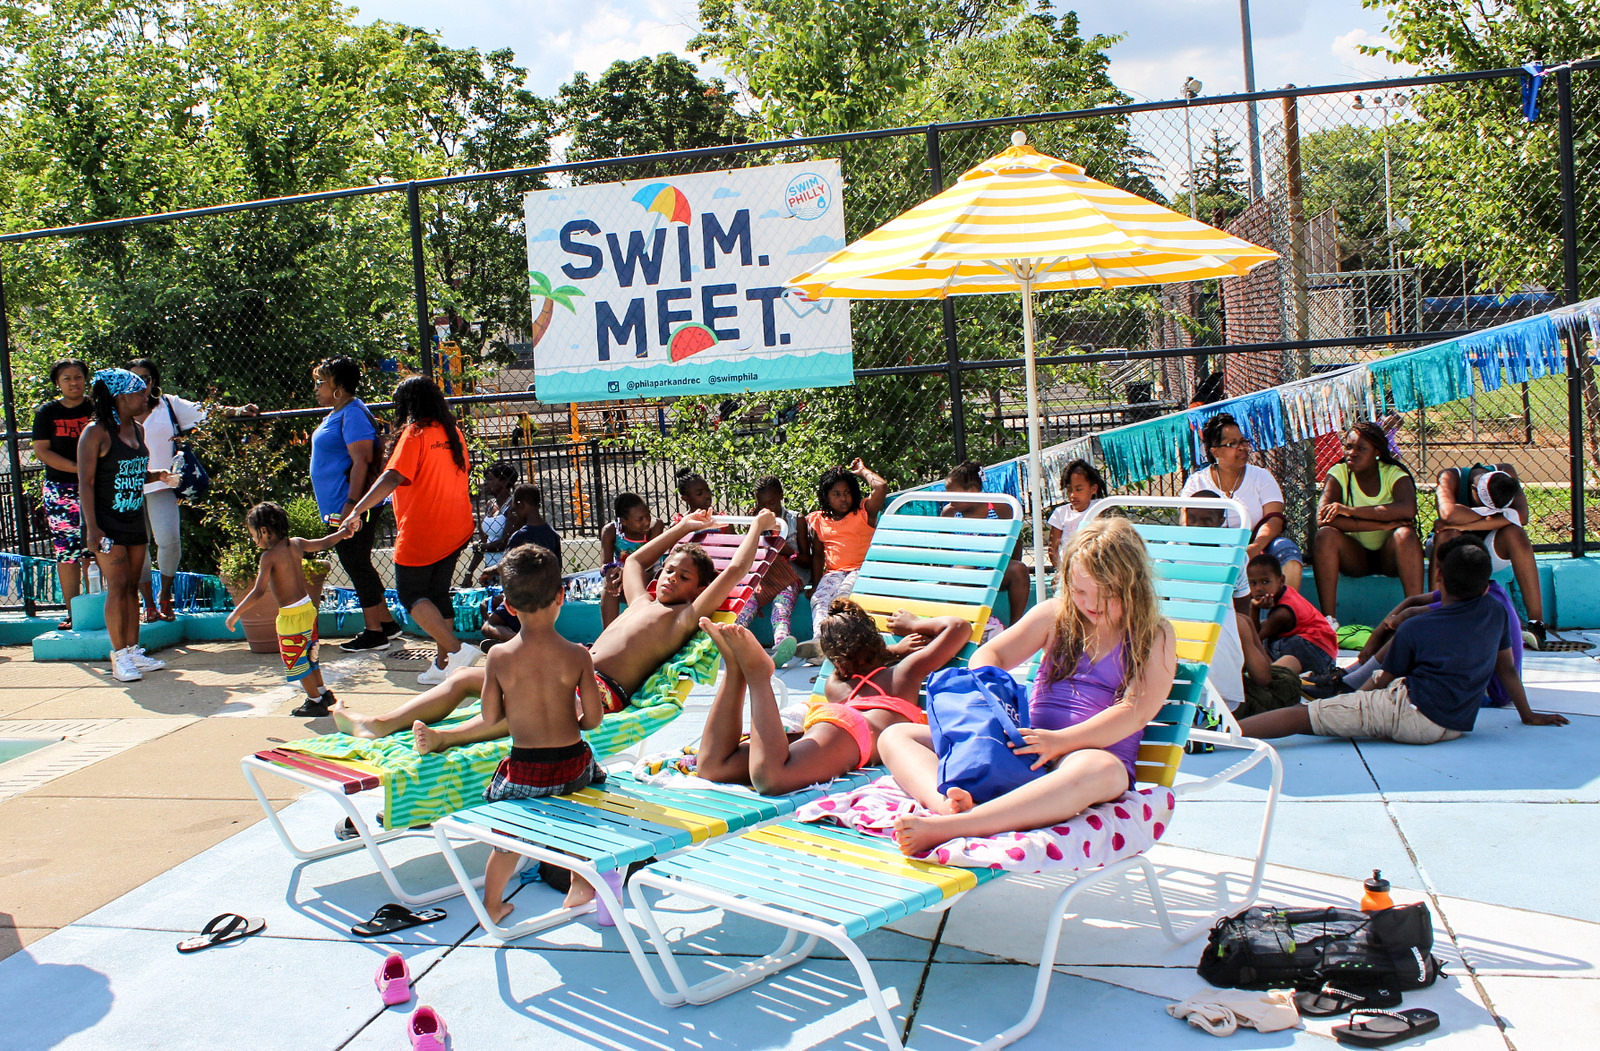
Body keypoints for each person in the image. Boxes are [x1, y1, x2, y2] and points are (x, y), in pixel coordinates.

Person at [330, 508, 779, 750]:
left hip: (599, 691)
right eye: (671, 570)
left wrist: (758, 526)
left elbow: (738, 568)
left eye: (683, 578)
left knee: (528, 705)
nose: (670, 579)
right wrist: (681, 527)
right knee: (468, 677)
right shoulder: (642, 597)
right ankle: (378, 723)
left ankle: (450, 737)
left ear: (697, 590)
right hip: (572, 668)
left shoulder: (682, 616)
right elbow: (638, 560)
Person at [879, 517, 1177, 856]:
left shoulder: (1153, 635)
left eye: (1106, 595)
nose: (1091, 604)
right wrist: (992, 705)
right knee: (896, 736)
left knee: (1101, 770)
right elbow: (992, 653)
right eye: (1080, 592)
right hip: (1026, 748)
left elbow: (1135, 711)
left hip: (1089, 754)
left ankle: (958, 825)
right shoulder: (1056, 614)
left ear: (1133, 586)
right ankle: (946, 805)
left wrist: (1061, 741)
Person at [1241, 536, 1568, 744]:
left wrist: (1350, 701)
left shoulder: (1416, 627)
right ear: (1486, 585)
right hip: (1456, 725)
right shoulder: (1495, 612)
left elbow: (1380, 682)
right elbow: (1508, 671)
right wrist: (1528, 715)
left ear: (1438, 576)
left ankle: (1225, 735)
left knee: (1304, 717)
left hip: (1413, 717)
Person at [695, 601, 970, 795]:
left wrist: (893, 651)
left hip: (825, 724)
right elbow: (959, 628)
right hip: (857, 731)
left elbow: (856, 663)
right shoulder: (903, 673)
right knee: (772, 778)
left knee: (713, 767)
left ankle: (735, 671)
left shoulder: (835, 684)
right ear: (876, 641)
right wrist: (913, 625)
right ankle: (758, 677)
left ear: (836, 662)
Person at [475, 545, 606, 922]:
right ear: (561, 597)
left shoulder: (499, 656)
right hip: (572, 768)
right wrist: (577, 717)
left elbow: (489, 716)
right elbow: (593, 721)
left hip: (526, 769)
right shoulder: (578, 655)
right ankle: (579, 882)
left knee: (507, 841)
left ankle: (493, 904)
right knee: (585, 812)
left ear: (509, 606)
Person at [334, 376, 477, 685]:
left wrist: (358, 508)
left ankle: (456, 650)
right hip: (457, 526)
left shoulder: (415, 434)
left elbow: (393, 477)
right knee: (438, 594)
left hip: (425, 529)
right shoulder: (453, 433)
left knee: (410, 594)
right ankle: (444, 666)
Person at [125, 357, 257, 623]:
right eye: (134, 379)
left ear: (154, 382)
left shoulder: (168, 404)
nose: (140, 385)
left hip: (163, 484)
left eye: (146, 379)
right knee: (138, 547)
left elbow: (208, 410)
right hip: (129, 486)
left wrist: (240, 411)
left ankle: (165, 596)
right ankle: (148, 604)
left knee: (169, 541)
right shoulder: (118, 411)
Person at [76, 369, 180, 683]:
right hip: (107, 524)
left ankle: (134, 650)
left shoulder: (137, 429)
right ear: (121, 397)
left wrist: (158, 474)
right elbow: (87, 482)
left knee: (132, 586)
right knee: (118, 586)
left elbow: (134, 473)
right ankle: (119, 655)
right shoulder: (95, 433)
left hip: (135, 518)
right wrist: (92, 528)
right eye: (138, 393)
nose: (145, 397)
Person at [308, 356, 400, 652]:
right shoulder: (337, 413)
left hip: (351, 506)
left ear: (338, 386)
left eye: (321, 382)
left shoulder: (353, 413)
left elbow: (362, 461)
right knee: (358, 563)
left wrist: (352, 504)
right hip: (341, 505)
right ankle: (386, 623)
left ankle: (374, 632)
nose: (317, 388)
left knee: (356, 563)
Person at [1183, 498, 1304, 718]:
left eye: (1206, 520)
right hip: (1225, 708)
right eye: (1194, 519)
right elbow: (1263, 678)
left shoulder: (1170, 557)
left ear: (1221, 521)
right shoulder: (1234, 560)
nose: (1199, 525)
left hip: (1176, 697)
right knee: (1286, 676)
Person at [226, 502, 345, 717]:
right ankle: (322, 692)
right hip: (308, 609)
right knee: (311, 654)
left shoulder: (268, 557)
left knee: (296, 660)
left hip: (291, 616)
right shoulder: (296, 544)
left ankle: (315, 701)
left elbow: (258, 592)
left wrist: (236, 613)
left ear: (263, 531)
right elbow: (325, 542)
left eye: (254, 535)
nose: (254, 540)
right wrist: (344, 532)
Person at [1180, 413, 1304, 606]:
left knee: (1287, 552)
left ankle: (1282, 618)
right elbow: (1185, 523)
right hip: (1211, 551)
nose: (1242, 448)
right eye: (1232, 444)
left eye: (1243, 442)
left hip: (1254, 548)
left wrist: (1255, 547)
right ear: (1216, 451)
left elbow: (1274, 519)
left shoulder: (1261, 477)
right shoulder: (1196, 482)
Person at [1311, 421, 1426, 624]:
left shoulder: (1393, 474)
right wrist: (1381, 525)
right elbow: (1323, 518)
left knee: (1405, 535)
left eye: (1361, 448)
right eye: (1348, 446)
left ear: (1378, 452)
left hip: (1390, 557)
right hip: (1355, 558)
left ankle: (1414, 616)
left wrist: (1350, 511)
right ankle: (1329, 621)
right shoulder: (1339, 473)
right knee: (1325, 536)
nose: (1352, 453)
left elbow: (1407, 510)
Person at [1432, 462, 1545, 647]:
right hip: (1455, 549)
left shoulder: (1506, 473)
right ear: (1473, 489)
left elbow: (1522, 516)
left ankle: (1536, 624)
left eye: (1494, 510)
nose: (1490, 513)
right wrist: (1500, 517)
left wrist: (1466, 523)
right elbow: (1448, 515)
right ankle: (1437, 615)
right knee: (1447, 534)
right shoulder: (1450, 476)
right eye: (1485, 506)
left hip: (1489, 547)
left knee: (1516, 533)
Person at [32, 359, 93, 629]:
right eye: (66, 378)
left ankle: (101, 610)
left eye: (78, 377)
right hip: (61, 491)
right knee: (68, 554)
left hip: (96, 486)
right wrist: (76, 469)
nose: (73, 383)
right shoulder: (47, 412)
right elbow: (42, 450)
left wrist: (90, 473)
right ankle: (74, 613)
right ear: (57, 383)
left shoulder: (97, 407)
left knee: (97, 550)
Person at [941, 460, 1031, 627]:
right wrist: (946, 574)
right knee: (960, 573)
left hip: (994, 568)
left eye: (953, 494)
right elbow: (946, 547)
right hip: (966, 568)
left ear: (973, 491)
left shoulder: (999, 507)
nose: (949, 499)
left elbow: (1015, 539)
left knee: (1019, 569)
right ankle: (962, 625)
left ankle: (1015, 626)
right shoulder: (950, 512)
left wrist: (1010, 563)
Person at [806, 460, 888, 614]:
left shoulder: (864, 512)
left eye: (847, 492)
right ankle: (820, 636)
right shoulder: (819, 520)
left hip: (861, 570)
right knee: (819, 600)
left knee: (843, 599)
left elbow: (881, 487)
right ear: (826, 497)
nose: (843, 498)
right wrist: (816, 585)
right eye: (836, 494)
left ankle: (843, 635)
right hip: (833, 574)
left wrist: (862, 470)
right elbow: (818, 556)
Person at [1246, 553, 1338, 675]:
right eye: (1253, 583)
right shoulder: (1285, 592)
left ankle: (1267, 672)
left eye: (1265, 582)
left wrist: (1254, 609)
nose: (1258, 588)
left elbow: (1255, 640)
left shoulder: (1282, 613)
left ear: (1281, 581)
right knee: (1263, 628)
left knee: (1262, 644)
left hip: (1317, 655)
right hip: (1326, 653)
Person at [749, 475, 806, 664]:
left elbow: (807, 559)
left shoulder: (795, 519)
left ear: (781, 496)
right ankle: (729, 639)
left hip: (790, 579)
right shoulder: (757, 519)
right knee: (746, 603)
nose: (768, 509)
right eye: (762, 504)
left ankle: (781, 644)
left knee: (781, 605)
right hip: (765, 578)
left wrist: (788, 551)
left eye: (772, 502)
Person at [598, 493, 662, 628]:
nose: (646, 521)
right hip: (622, 579)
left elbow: (649, 561)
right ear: (624, 521)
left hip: (650, 574)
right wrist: (609, 573)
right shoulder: (610, 531)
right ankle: (608, 635)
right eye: (640, 519)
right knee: (610, 586)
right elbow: (605, 563)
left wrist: (626, 572)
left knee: (640, 577)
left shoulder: (655, 526)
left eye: (648, 515)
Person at [460, 462, 524, 588]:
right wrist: (469, 573)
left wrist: (481, 547)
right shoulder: (490, 506)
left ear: (504, 482)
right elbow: (484, 541)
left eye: (490, 479)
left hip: (508, 570)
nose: (485, 483)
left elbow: (506, 543)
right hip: (490, 570)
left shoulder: (513, 507)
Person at [1046, 459, 1106, 570]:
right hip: (1069, 568)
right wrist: (1061, 572)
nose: (1073, 495)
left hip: (1095, 567)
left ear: (1093, 489)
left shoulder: (1100, 508)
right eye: (1069, 490)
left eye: (1079, 489)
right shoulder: (1061, 513)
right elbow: (1053, 548)